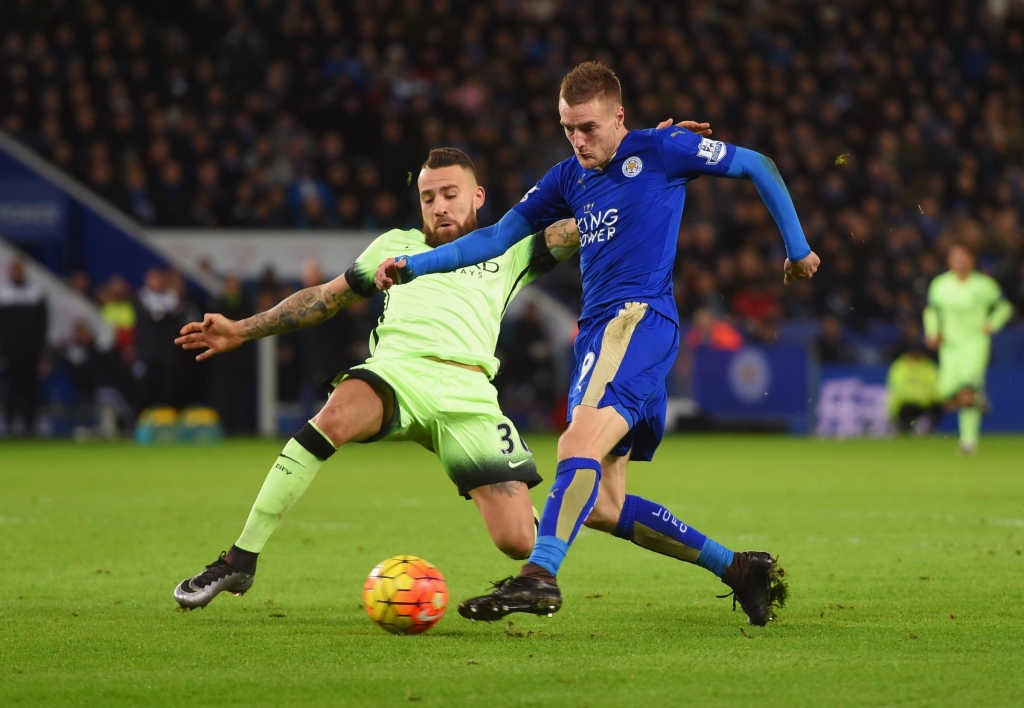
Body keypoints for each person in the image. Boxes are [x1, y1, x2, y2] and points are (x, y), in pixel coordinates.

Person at [376, 62, 820, 626]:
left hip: (636, 321)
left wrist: (798, 249)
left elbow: (757, 163)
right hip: (599, 333)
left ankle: (539, 577)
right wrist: (416, 265)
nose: (578, 141)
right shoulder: (566, 178)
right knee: (604, 507)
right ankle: (737, 568)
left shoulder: (662, 149)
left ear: (618, 116)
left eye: (588, 127)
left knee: (574, 444)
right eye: (568, 128)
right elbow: (492, 237)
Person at [170, 147, 578, 609]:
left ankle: (552, 529)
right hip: (396, 373)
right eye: (429, 197)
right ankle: (239, 560)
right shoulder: (394, 246)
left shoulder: (512, 247)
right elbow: (324, 298)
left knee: (517, 541)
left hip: (470, 395)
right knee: (334, 417)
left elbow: (587, 223)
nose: (440, 205)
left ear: (477, 196)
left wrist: (637, 163)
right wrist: (242, 329)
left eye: (450, 193)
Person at [923, 243, 1014, 453]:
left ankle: (968, 442)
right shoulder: (940, 285)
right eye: (955, 257)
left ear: (971, 260)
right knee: (946, 392)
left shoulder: (984, 285)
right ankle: (977, 397)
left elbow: (1005, 307)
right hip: (950, 346)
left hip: (975, 343)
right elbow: (931, 311)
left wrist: (992, 324)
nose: (959, 261)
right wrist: (932, 332)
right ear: (949, 261)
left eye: (963, 257)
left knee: (965, 391)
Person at [0, 259, 48, 436]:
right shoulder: (3, 293)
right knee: (9, 388)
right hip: (9, 351)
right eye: (14, 270)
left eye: (19, 270)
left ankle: (30, 424)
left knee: (30, 389)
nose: (16, 273)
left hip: (31, 351)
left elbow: (43, 324)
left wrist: (42, 351)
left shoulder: (35, 292)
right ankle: (9, 423)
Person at [886, 344, 942, 434]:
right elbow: (899, 389)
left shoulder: (928, 366)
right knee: (907, 409)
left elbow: (936, 386)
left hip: (924, 403)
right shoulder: (899, 366)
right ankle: (905, 429)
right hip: (905, 404)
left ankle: (928, 429)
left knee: (937, 407)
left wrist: (927, 399)